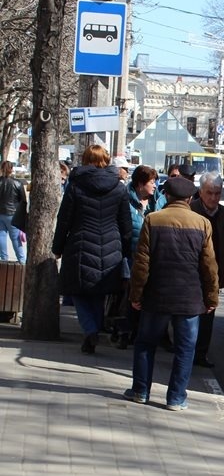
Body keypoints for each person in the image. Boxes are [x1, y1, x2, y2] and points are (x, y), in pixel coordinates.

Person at [124, 176, 218, 411]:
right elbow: (209, 266)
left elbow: (141, 263)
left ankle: (140, 391)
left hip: (156, 295)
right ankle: (176, 398)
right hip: (190, 298)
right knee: (185, 349)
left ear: (167, 196)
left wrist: (136, 295)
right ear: (189, 198)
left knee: (146, 343)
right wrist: (211, 298)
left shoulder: (152, 220)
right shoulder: (202, 223)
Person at [52, 145, 131, 354]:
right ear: (106, 160)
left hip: (80, 243)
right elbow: (125, 223)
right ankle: (93, 329)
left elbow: (64, 219)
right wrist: (126, 251)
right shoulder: (119, 187)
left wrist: (57, 247)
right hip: (111, 246)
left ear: (86, 159)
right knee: (99, 292)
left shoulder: (76, 185)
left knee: (77, 291)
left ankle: (90, 329)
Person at [190, 172, 224, 368]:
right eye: (209, 193)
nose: (213, 198)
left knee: (208, 315)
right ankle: (187, 351)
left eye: (217, 193)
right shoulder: (191, 211)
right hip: (192, 274)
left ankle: (201, 354)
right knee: (191, 316)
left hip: (215, 275)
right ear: (201, 192)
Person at [115, 165, 163, 349]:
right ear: (141, 184)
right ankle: (126, 332)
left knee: (146, 296)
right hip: (129, 254)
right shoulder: (125, 200)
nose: (155, 185)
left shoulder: (157, 202)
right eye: (152, 182)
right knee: (130, 295)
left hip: (152, 256)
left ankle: (139, 332)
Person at [0, 161, 27, 264]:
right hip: (13, 215)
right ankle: (21, 260)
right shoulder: (18, 183)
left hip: (0, 213)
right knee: (15, 238)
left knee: (1, 236)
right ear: (11, 169)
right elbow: (23, 201)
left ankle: (4, 260)